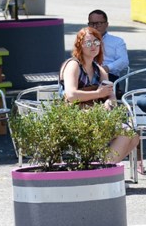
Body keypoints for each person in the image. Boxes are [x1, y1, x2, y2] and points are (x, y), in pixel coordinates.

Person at [59, 27, 139, 163]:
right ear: (80, 45)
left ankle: (103, 166)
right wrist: (97, 93)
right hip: (74, 117)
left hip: (96, 116)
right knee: (125, 133)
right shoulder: (73, 65)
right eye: (88, 43)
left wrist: (109, 102)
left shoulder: (99, 69)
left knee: (134, 136)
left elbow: (111, 95)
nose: (93, 46)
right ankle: (103, 169)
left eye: (96, 42)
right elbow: (71, 95)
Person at [88, 9, 129, 86]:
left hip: (108, 75)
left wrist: (106, 68)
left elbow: (124, 60)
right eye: (92, 23)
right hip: (87, 74)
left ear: (106, 24)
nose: (95, 26)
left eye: (99, 23)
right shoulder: (84, 40)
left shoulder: (117, 41)